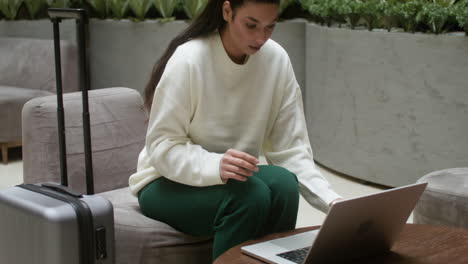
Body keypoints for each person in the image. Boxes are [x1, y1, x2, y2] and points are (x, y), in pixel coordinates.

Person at [129, 0, 342, 261]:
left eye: (269, 27)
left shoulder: (276, 60)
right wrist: (215, 164)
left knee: (285, 184)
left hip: (236, 180)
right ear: (227, 11)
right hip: (164, 182)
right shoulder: (189, 59)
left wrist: (333, 203)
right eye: (251, 25)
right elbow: (162, 145)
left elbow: (291, 150)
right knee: (250, 196)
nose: (260, 37)